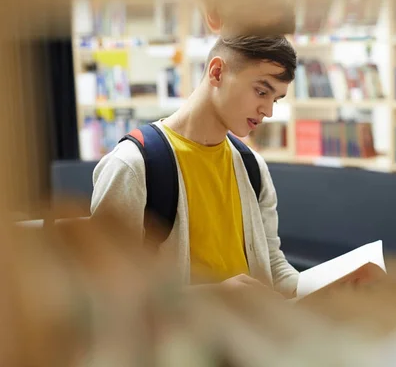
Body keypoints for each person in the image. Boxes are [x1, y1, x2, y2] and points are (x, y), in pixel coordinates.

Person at [90, 35, 299, 298]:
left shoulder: (252, 166)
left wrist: (321, 288)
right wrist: (214, 297)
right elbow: (106, 292)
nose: (268, 110)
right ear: (217, 72)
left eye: (275, 99)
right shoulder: (132, 166)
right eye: (261, 91)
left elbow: (274, 265)